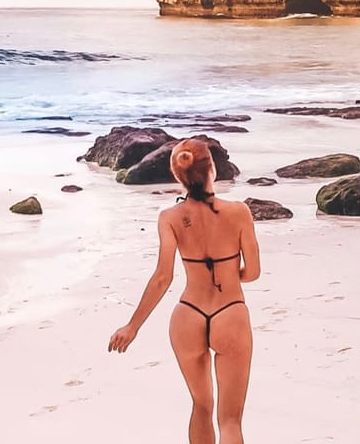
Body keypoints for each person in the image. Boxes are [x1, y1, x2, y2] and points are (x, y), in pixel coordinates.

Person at [108, 138, 261, 444]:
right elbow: (254, 272)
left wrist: (132, 326)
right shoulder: (239, 212)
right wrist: (231, 275)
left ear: (178, 177)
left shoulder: (169, 218)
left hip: (188, 315)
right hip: (230, 312)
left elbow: (162, 278)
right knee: (230, 420)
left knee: (201, 406)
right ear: (212, 169)